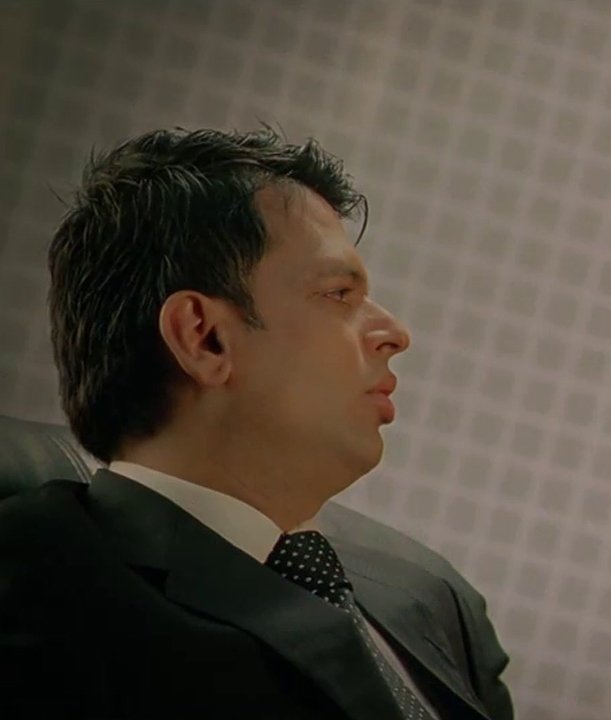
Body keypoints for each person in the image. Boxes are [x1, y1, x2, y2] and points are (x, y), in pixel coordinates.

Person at [0, 128, 514, 720]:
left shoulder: (433, 594)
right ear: (205, 338)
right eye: (338, 294)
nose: (395, 334)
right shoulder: (33, 585)